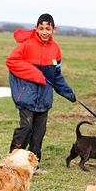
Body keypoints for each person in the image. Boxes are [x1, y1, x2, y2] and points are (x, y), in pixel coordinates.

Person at [6, 13, 76, 164]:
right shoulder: (27, 45)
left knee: (39, 133)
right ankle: (12, 161)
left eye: (48, 28)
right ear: (36, 29)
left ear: (54, 30)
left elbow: (56, 76)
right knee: (26, 128)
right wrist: (35, 73)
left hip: (44, 98)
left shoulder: (56, 49)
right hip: (26, 96)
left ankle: (33, 165)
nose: (44, 32)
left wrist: (68, 92)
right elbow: (11, 61)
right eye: (41, 28)